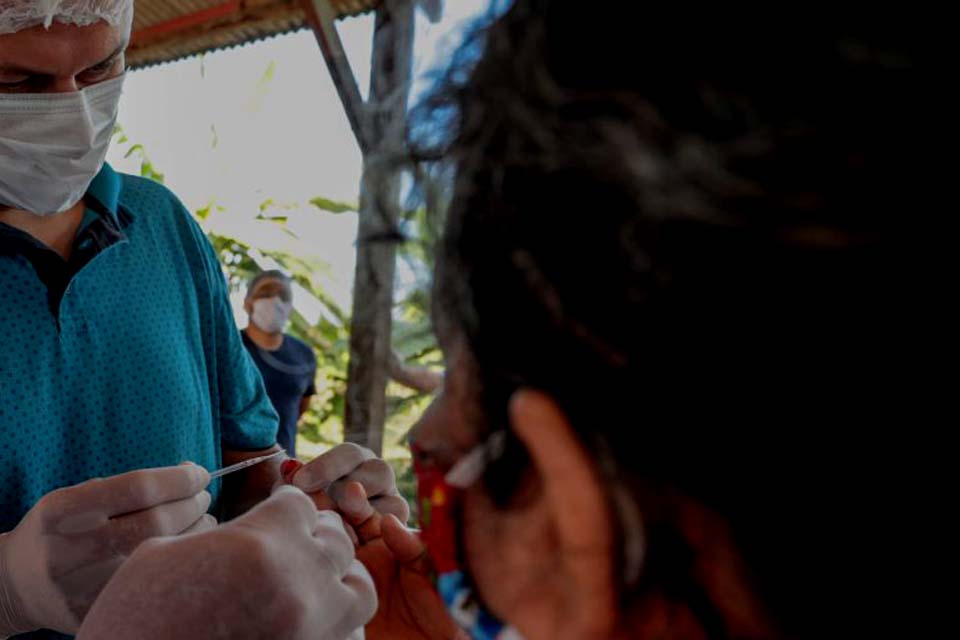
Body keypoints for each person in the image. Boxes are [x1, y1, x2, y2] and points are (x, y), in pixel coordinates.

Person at [64, 1, 937, 638]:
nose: (423, 438)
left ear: (572, 518)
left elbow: (252, 453)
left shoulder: (164, 231)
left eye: (457, 378)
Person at [0, 3, 405, 639]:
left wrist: (306, 504)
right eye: (18, 82)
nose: (73, 111)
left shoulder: (163, 226)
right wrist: (7, 590)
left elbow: (249, 464)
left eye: (99, 69)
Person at [242, 270, 318, 458]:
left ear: (290, 307)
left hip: (284, 463)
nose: (275, 301)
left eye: (283, 296)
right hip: (231, 466)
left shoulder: (304, 355)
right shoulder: (230, 347)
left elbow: (301, 406)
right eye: (266, 293)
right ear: (247, 303)